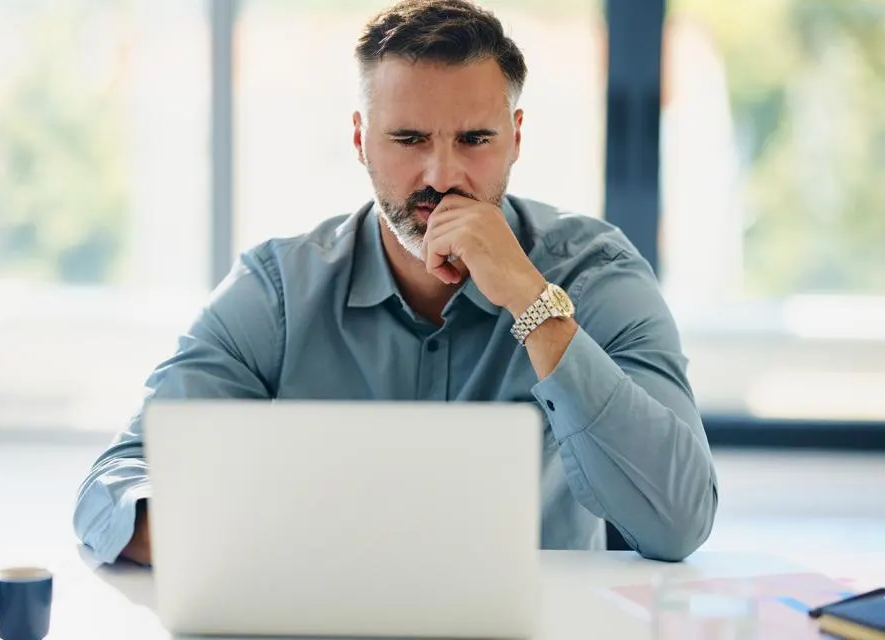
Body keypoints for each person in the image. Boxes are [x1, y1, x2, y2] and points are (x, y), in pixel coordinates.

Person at [73, 0, 718, 567]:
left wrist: (533, 301)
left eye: (475, 139)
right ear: (360, 139)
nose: (443, 174)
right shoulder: (276, 292)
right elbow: (115, 486)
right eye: (408, 139)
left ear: (516, 138)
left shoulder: (597, 274)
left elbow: (679, 521)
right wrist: (279, 556)